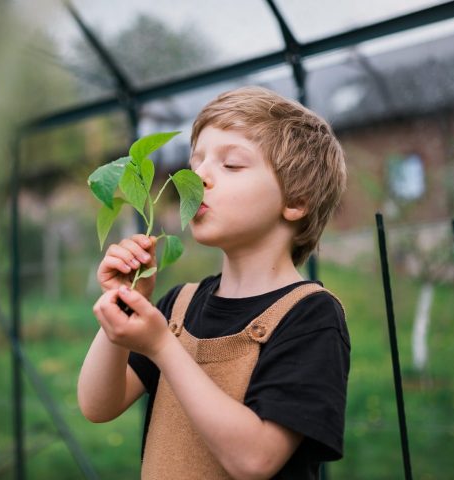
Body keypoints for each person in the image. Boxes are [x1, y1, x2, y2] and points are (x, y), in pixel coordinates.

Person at [77, 86, 349, 480]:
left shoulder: (311, 315)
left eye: (232, 165)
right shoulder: (179, 306)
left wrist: (162, 347)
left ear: (297, 201)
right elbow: (98, 405)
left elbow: (255, 460)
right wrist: (122, 302)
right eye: (196, 162)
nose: (198, 177)